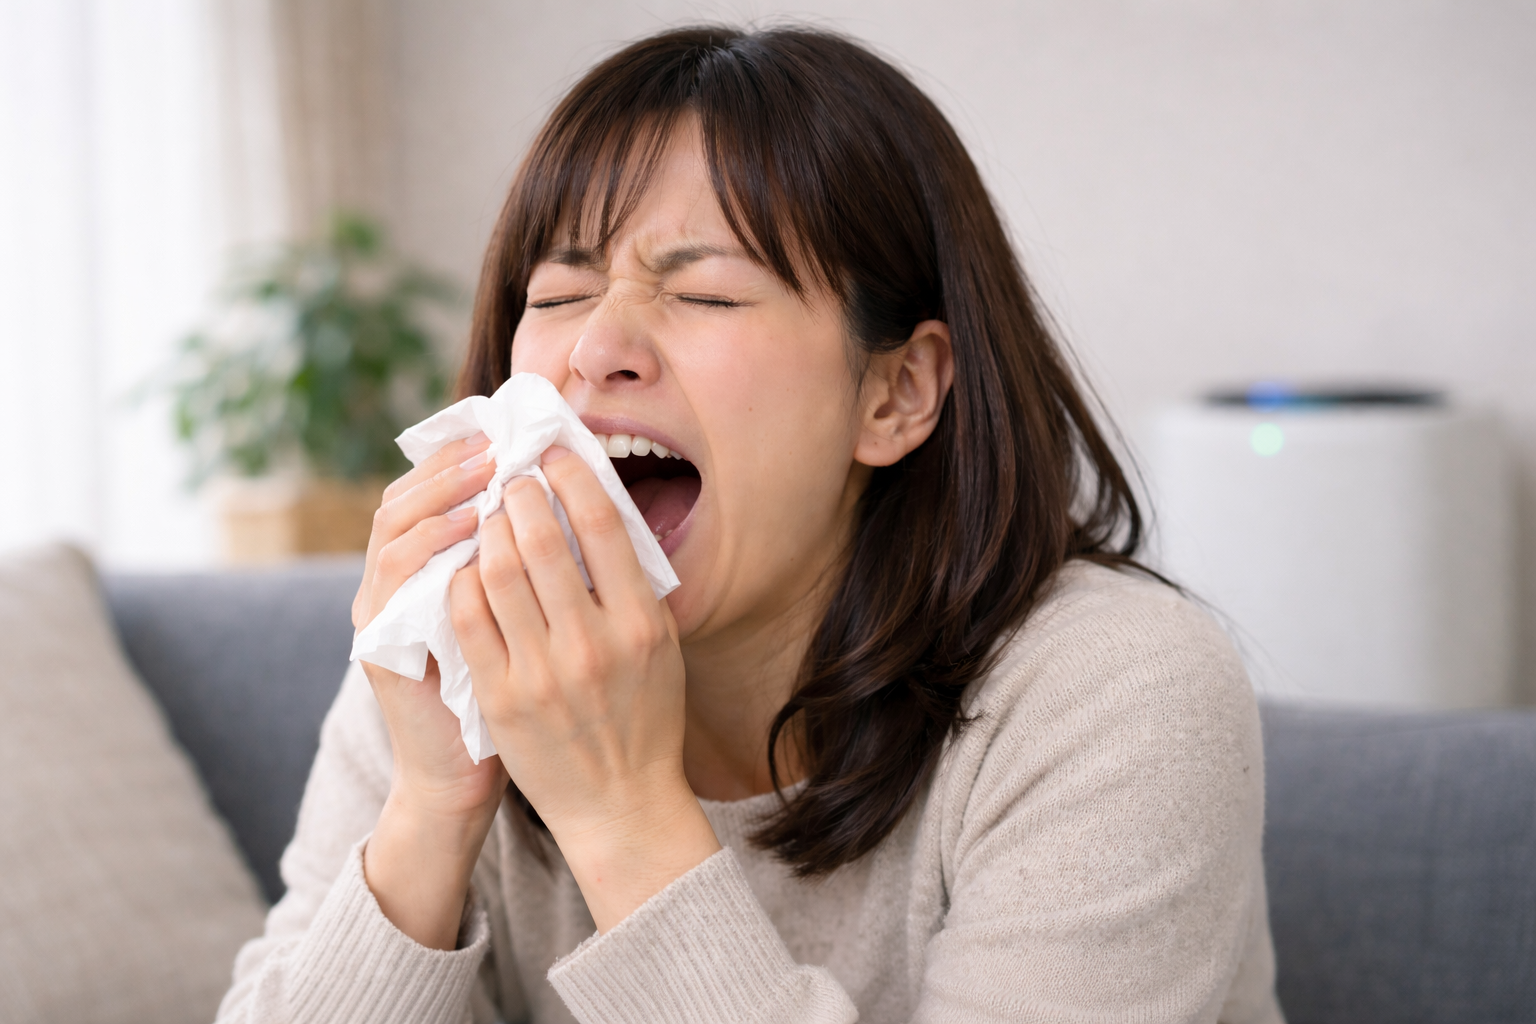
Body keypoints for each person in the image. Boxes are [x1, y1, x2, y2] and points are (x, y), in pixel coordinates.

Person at [218, 25, 1282, 1024]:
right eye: (559, 293)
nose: (597, 349)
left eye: (707, 296)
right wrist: (430, 808)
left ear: (897, 393)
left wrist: (621, 818)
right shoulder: (458, 655)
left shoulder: (1116, 692)